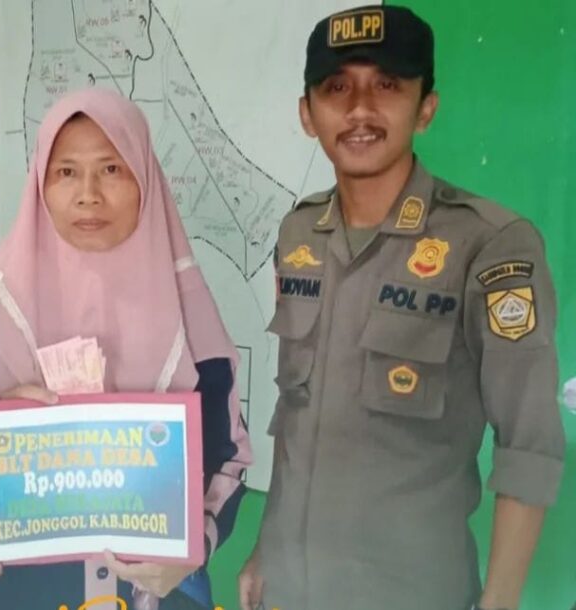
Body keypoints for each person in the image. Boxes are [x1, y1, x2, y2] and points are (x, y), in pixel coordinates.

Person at [238, 6, 565, 610]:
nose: (360, 109)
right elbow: (295, 410)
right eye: (337, 88)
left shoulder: (490, 244)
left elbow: (529, 443)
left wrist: (499, 603)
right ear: (307, 114)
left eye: (387, 85)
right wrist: (265, 547)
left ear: (426, 108)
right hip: (293, 588)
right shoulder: (299, 234)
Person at [0, 88, 253, 610]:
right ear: (40, 184)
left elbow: (227, 456)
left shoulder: (189, 310)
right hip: (21, 585)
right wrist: (1, 418)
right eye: (66, 172)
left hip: (151, 586)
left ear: (145, 179)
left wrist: (194, 548)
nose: (88, 195)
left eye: (112, 169)